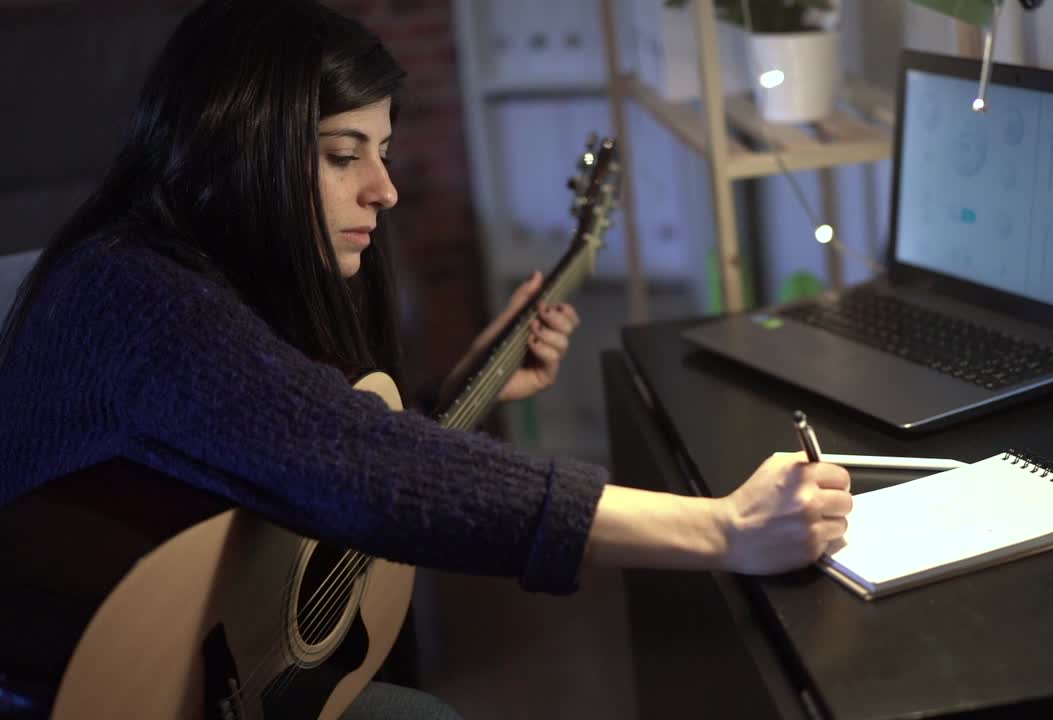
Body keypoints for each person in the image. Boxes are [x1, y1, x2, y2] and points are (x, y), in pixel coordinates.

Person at [0, 1, 854, 718]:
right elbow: (353, 465)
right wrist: (722, 529)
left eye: (383, 151)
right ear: (241, 150)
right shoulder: (136, 296)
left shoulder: (213, 266)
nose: (385, 189)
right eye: (344, 156)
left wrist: (454, 394)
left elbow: (284, 444)